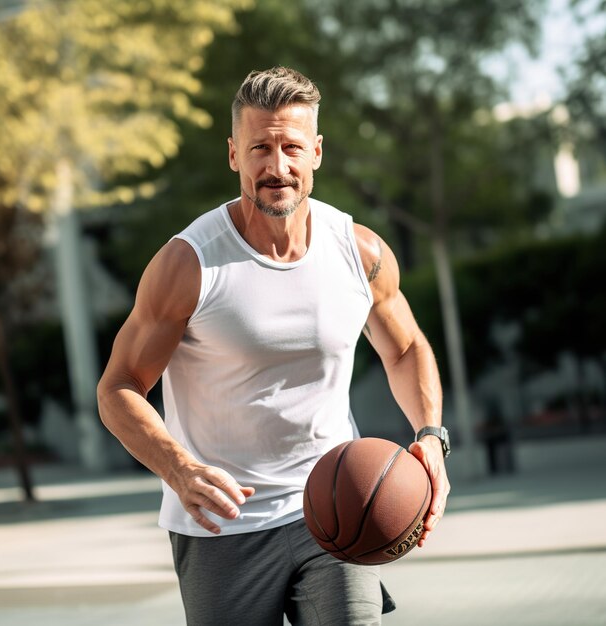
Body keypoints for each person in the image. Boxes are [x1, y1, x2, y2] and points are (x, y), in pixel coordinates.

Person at [97, 66, 450, 625]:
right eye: (260, 147)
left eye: (291, 147)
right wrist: (179, 469)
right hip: (221, 525)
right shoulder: (188, 263)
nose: (277, 166)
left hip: (335, 509)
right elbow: (118, 387)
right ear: (234, 153)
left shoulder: (359, 252)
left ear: (316, 151)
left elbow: (404, 349)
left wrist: (430, 435)